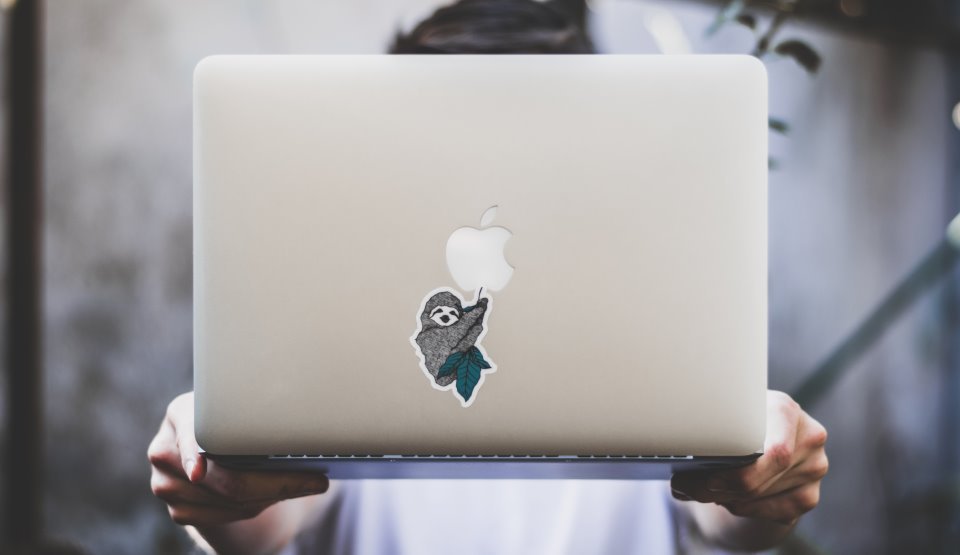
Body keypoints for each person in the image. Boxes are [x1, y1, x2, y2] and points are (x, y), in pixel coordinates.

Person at [149, 1, 828, 553]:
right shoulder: (342, 357)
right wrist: (215, 479)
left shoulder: (653, 355)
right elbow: (265, 523)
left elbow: (723, 518)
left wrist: (765, 481)